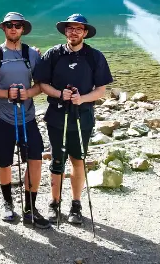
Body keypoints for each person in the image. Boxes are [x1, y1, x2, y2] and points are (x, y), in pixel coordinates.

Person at [33, 14, 113, 225]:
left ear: (85, 33)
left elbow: (101, 90)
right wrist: (60, 94)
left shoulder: (94, 56)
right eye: (70, 28)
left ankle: (76, 204)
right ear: (65, 31)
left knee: (78, 160)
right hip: (56, 116)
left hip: (82, 117)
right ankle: (54, 203)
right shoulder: (54, 54)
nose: (74, 32)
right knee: (57, 160)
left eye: (79, 29)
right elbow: (42, 84)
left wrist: (82, 99)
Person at [0, 12, 50, 229]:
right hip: (1, 117)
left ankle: (30, 207)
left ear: (23, 29)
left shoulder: (32, 54)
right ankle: (7, 203)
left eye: (18, 26)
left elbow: (41, 84)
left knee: (35, 159)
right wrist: (5, 94)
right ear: (4, 29)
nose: (13, 29)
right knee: (4, 161)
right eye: (9, 25)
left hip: (27, 117)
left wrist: (28, 93)